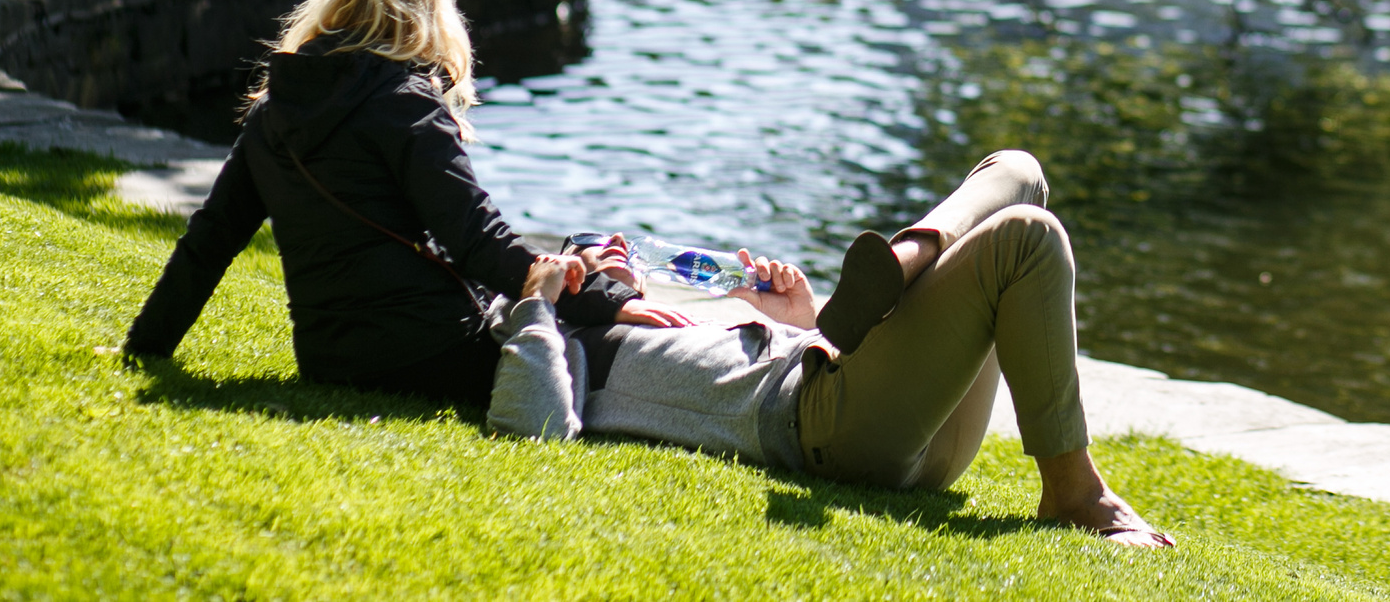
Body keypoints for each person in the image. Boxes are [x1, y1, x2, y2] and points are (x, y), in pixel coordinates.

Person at [488, 150, 1176, 547]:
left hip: (894, 425)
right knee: (1028, 235)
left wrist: (800, 318)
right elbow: (533, 423)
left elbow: (775, 358)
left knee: (1020, 171)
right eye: (592, 252)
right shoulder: (569, 342)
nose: (610, 250)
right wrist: (537, 302)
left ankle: (910, 251)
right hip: (822, 424)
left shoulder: (663, 317)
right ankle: (1074, 492)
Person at [123, 0, 620, 401]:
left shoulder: (273, 110)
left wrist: (146, 347)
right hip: (435, 350)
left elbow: (209, 243)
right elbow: (474, 237)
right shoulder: (407, 103)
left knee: (579, 294)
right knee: (595, 350)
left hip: (329, 358)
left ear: (335, 1)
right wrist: (603, 301)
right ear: (427, 13)